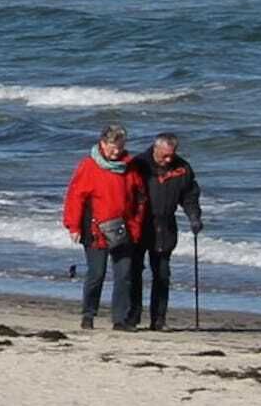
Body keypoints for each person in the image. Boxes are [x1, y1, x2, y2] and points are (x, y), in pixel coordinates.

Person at [61, 123, 149, 330]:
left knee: (124, 274)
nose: (116, 151)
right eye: (112, 147)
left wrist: (135, 227)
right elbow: (75, 197)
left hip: (123, 229)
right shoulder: (88, 166)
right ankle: (88, 314)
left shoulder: (130, 167)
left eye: (120, 147)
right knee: (96, 273)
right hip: (95, 230)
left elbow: (140, 199)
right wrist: (73, 226)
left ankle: (119, 319)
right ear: (103, 143)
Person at [134, 132, 204, 331]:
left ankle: (158, 320)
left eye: (171, 155)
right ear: (155, 149)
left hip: (165, 226)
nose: (168, 159)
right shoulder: (139, 164)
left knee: (162, 274)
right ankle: (132, 318)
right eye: (164, 155)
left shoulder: (182, 168)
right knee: (134, 272)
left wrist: (194, 217)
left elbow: (190, 195)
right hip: (140, 224)